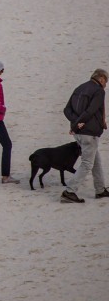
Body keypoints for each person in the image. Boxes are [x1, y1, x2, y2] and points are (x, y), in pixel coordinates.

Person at [61, 68, 108, 203]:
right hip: (89, 132)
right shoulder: (99, 91)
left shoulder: (79, 88)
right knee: (87, 163)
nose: (106, 84)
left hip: (79, 133)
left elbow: (66, 110)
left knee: (95, 160)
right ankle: (69, 191)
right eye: (106, 81)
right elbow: (91, 111)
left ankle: (100, 189)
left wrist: (75, 123)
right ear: (101, 79)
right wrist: (79, 123)